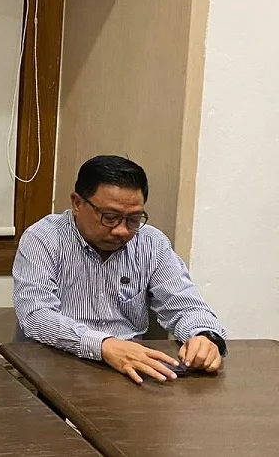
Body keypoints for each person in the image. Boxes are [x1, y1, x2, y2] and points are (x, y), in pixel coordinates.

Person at [13, 155, 227, 384]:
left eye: (134, 219)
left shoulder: (151, 243)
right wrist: (104, 346)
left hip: (129, 372)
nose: (122, 231)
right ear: (77, 203)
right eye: (110, 217)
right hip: (57, 367)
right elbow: (36, 315)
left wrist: (205, 337)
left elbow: (185, 305)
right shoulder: (43, 238)